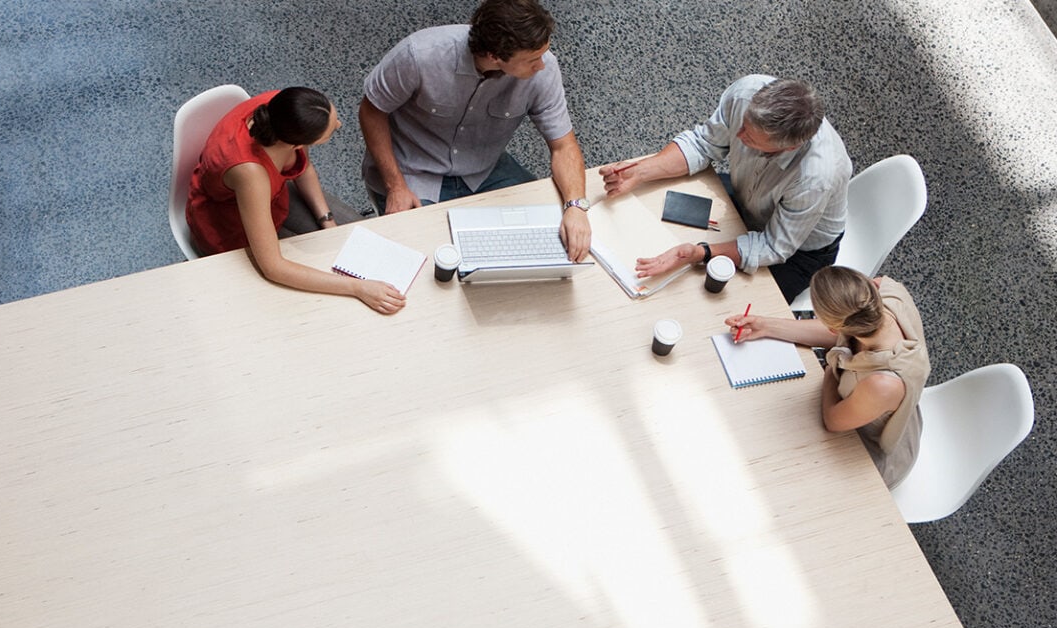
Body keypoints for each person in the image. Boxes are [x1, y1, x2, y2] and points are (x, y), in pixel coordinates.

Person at [358, 0, 591, 261]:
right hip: (413, 170)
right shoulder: (419, 54)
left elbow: (563, 145)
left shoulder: (544, 69)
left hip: (484, 169)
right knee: (421, 257)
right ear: (494, 56)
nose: (542, 66)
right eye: (532, 60)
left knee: (548, 227)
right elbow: (372, 110)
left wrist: (576, 206)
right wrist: (395, 186)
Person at [600, 75, 852, 303]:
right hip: (747, 199)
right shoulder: (746, 93)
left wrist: (702, 252)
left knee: (713, 304)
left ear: (787, 148)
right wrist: (641, 171)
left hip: (797, 250)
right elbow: (703, 144)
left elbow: (774, 246)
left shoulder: (817, 177)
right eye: (743, 125)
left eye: (750, 138)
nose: (738, 135)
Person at [187, 87, 405, 315]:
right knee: (313, 297)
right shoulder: (250, 172)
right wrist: (358, 287)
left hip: (272, 194)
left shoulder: (284, 109)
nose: (339, 124)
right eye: (330, 131)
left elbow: (303, 167)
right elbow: (273, 267)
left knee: (346, 235)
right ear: (296, 145)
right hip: (229, 225)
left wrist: (327, 221)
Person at [726, 266, 929, 488]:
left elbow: (833, 420)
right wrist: (765, 326)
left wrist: (833, 367)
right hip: (866, 405)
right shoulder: (882, 292)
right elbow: (845, 333)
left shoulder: (882, 383)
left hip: (868, 449)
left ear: (833, 327)